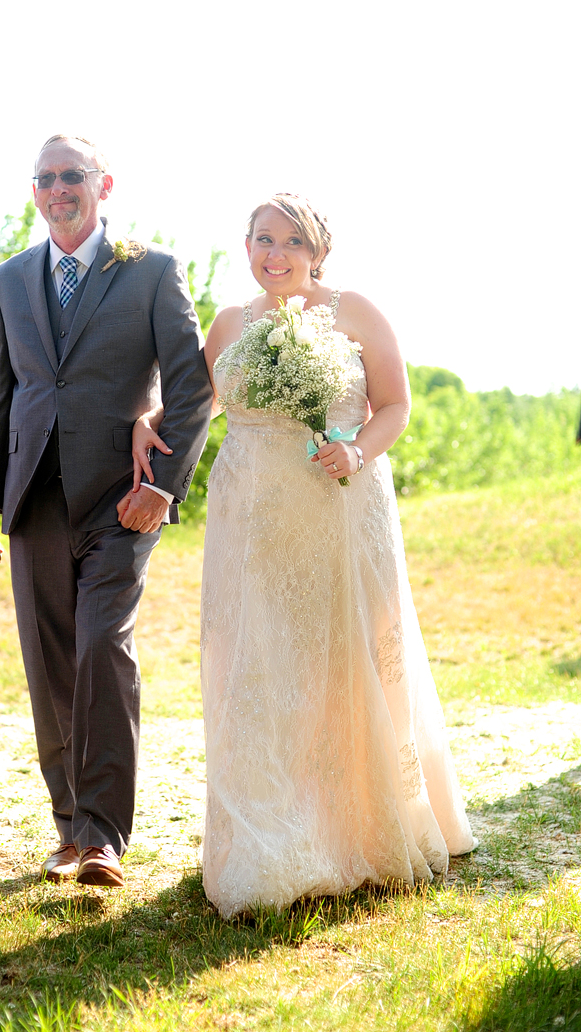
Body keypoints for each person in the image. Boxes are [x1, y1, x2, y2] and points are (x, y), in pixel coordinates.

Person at [135, 192, 476, 917]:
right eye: (263, 239)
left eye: (291, 241)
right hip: (251, 517)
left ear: (318, 249)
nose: (275, 253)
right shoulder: (231, 322)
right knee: (257, 665)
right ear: (247, 245)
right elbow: (200, 405)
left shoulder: (357, 312)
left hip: (341, 504)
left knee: (345, 659)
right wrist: (146, 418)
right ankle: (267, 839)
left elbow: (395, 407)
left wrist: (355, 449)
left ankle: (364, 825)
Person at [0, 134, 213, 887]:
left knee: (103, 644)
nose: (58, 189)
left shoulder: (153, 271)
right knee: (49, 664)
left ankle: (104, 834)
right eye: (45, 179)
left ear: (104, 184)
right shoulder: (8, 280)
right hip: (32, 495)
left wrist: (163, 485)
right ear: (34, 191)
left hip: (121, 498)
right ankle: (69, 827)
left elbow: (193, 389)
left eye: (72, 176)